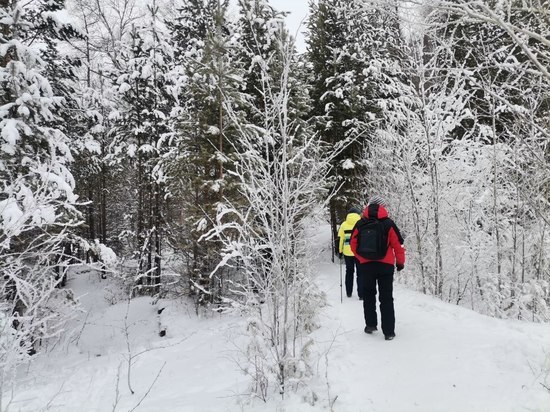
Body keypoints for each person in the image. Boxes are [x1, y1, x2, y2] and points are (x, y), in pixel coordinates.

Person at [350, 196, 405, 341]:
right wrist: (400, 263)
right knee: (386, 297)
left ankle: (370, 325)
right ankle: (388, 332)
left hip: (366, 266)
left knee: (368, 295)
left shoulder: (360, 223)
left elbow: (353, 244)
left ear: (368, 206)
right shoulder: (388, 223)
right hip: (385, 266)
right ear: (382, 207)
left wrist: (361, 259)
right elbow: (398, 245)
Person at [337, 207, 362, 298]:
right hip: (359, 251)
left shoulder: (343, 224)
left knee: (349, 271)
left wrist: (340, 251)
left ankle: (349, 292)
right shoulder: (361, 223)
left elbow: (341, 240)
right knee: (360, 273)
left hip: (347, 251)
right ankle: (361, 294)